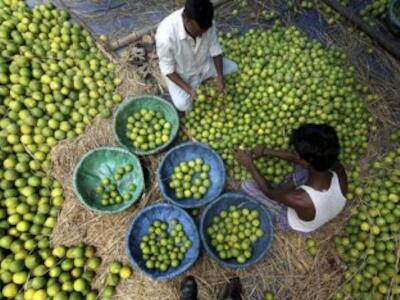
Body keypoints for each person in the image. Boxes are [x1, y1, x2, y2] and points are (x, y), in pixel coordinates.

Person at [234, 124, 348, 233]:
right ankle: (292, 181)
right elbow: (301, 160)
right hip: (320, 207)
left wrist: (249, 165)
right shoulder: (339, 170)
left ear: (305, 160)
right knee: (298, 170)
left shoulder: (299, 198)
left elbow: (269, 192)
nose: (294, 154)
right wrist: (266, 151)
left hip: (296, 220)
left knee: (248, 185)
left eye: (296, 152)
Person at [155, 0, 238, 112]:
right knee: (183, 105)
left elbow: (215, 48)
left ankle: (204, 81)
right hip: (182, 74)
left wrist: (220, 76)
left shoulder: (206, 22)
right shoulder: (165, 36)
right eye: (198, 32)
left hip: (203, 65)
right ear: (186, 20)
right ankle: (199, 84)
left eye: (204, 31)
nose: (201, 35)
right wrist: (189, 90)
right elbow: (168, 69)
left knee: (234, 68)